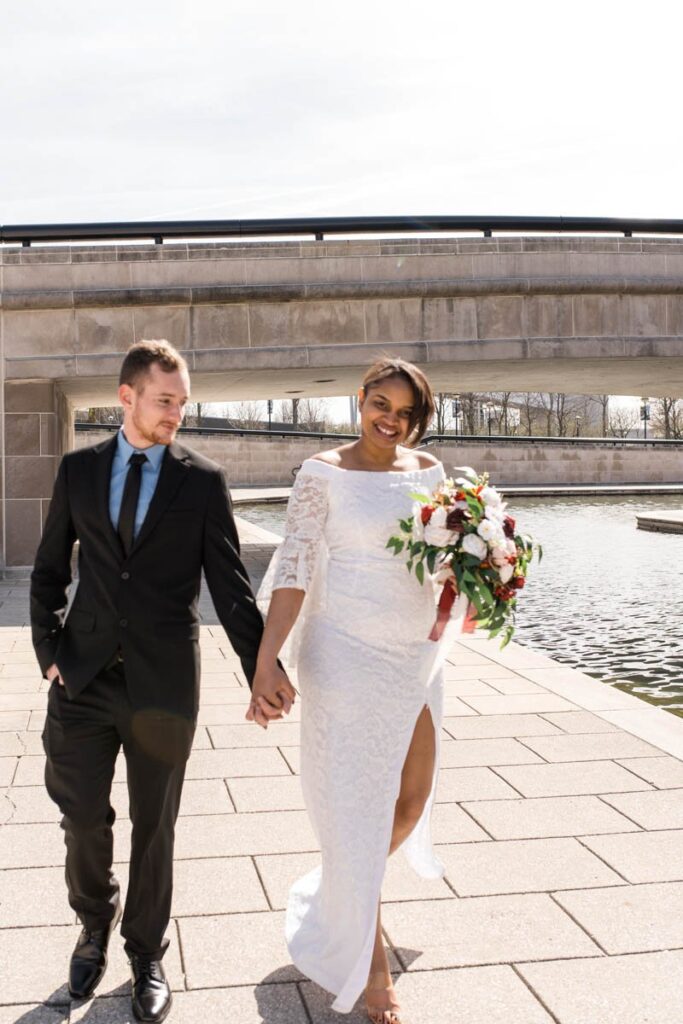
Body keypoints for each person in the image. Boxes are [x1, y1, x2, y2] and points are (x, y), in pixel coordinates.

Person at [30, 340, 294, 1023]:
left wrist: (261, 668)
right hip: (82, 678)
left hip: (163, 684)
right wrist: (49, 651)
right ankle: (94, 923)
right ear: (127, 397)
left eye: (182, 401)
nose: (178, 412)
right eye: (165, 400)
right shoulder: (79, 470)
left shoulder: (200, 480)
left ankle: (146, 949)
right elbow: (49, 567)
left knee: (157, 826)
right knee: (82, 817)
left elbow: (231, 589)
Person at [250, 358, 461, 1023]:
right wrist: (266, 661)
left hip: (415, 654)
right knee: (359, 806)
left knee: (412, 795)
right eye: (378, 403)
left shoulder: (428, 471)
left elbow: (446, 556)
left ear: (417, 420)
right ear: (359, 400)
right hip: (341, 649)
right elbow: (294, 565)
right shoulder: (322, 473)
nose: (387, 419)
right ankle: (368, 963)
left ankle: (340, 888)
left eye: (402, 412)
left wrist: (479, 584)